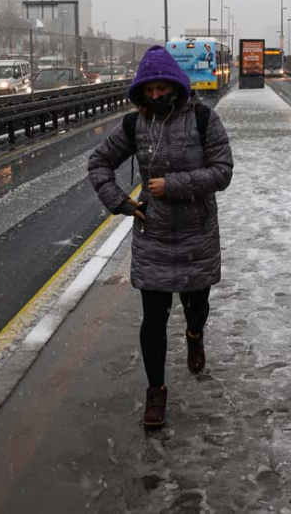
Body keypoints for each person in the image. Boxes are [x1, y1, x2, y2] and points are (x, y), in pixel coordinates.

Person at [88, 45, 234, 428]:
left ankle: (194, 333)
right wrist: (120, 202)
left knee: (196, 305)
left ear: (176, 85)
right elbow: (98, 162)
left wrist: (173, 185)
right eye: (148, 91)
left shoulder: (204, 120)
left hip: (196, 234)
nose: (156, 96)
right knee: (153, 318)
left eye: (161, 88)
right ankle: (156, 394)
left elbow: (222, 172)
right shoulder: (134, 125)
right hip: (152, 236)